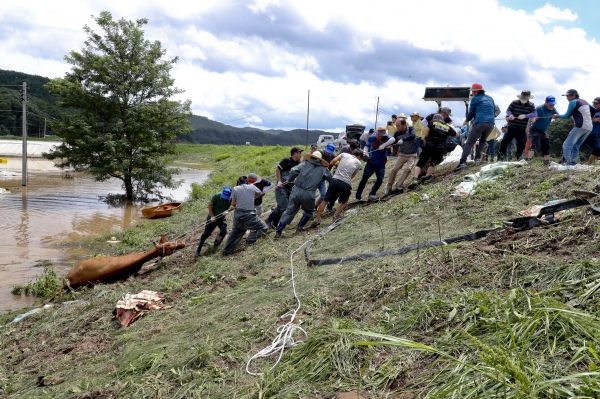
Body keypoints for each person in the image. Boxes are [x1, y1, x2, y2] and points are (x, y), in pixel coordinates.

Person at [275, 151, 332, 238]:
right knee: (309, 211)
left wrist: (290, 179)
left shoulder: (304, 164)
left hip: (296, 190)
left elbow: (293, 170)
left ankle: (278, 231)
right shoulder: (323, 169)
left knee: (289, 211)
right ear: (320, 160)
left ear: (311, 157)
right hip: (309, 193)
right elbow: (331, 179)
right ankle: (300, 227)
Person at [312, 148, 363, 227]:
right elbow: (352, 175)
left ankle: (317, 219)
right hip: (345, 182)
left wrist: (330, 168)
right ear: (359, 156)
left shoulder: (344, 154)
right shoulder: (359, 163)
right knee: (344, 201)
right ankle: (336, 216)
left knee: (325, 200)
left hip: (335, 179)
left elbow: (333, 161)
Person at [454, 83, 498, 171]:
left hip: (480, 122)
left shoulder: (475, 99)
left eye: (473, 92)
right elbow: (493, 111)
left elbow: (471, 112)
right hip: (491, 123)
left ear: (476, 92)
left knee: (470, 142)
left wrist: (467, 120)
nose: (472, 93)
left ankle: (462, 162)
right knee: (482, 140)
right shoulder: (490, 98)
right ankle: (477, 159)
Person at [221, 177, 268, 256]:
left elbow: (233, 205)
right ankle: (249, 240)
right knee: (264, 228)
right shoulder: (252, 187)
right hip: (250, 215)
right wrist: (253, 195)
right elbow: (260, 193)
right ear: (247, 182)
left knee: (235, 233)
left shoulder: (235, 188)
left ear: (238, 182)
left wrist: (227, 211)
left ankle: (225, 252)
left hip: (238, 215)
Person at [408, 114, 458, 189]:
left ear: (434, 119)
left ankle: (415, 179)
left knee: (420, 164)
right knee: (433, 163)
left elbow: (426, 134)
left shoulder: (432, 123)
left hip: (430, 145)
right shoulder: (447, 126)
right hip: (440, 148)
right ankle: (427, 177)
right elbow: (457, 135)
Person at [553, 89, 594, 165]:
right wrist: (591, 117)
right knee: (576, 146)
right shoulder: (585, 101)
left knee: (566, 145)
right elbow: (594, 109)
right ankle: (573, 163)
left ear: (574, 95)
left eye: (568, 96)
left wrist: (557, 116)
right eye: (566, 96)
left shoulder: (573, 102)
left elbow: (567, 116)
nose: (567, 98)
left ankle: (568, 163)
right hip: (589, 127)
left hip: (580, 126)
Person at [355, 126, 396, 201]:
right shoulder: (372, 138)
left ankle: (372, 194)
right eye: (377, 134)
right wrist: (365, 152)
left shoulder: (387, 138)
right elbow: (367, 146)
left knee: (380, 180)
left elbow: (393, 139)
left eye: (379, 135)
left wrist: (384, 145)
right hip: (371, 162)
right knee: (364, 179)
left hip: (381, 163)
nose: (378, 136)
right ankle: (358, 197)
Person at [266, 147, 303, 229]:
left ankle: (275, 223)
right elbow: (278, 170)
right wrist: (279, 181)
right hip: (282, 186)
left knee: (284, 206)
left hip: (290, 187)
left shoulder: (299, 163)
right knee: (284, 206)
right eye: (299, 153)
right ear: (295, 153)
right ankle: (269, 219)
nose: (301, 154)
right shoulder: (286, 161)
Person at [497, 90, 536, 162]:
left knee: (522, 144)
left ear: (528, 98)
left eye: (525, 99)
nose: (523, 100)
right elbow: (508, 110)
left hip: (522, 129)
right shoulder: (514, 102)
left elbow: (534, 114)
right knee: (504, 142)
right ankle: (500, 158)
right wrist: (510, 115)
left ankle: (516, 159)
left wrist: (525, 116)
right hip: (512, 127)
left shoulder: (531, 105)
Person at [195, 187, 232, 256]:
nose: (224, 198)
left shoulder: (231, 199)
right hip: (212, 218)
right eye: (224, 196)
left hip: (221, 218)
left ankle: (216, 245)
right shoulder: (217, 196)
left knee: (223, 231)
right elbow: (209, 205)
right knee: (206, 233)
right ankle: (198, 249)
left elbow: (233, 206)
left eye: (226, 197)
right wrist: (212, 216)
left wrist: (228, 211)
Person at [386, 118, 417, 194]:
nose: (397, 127)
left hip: (412, 154)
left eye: (398, 125)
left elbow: (413, 135)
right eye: (396, 125)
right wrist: (390, 145)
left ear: (404, 125)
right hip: (402, 154)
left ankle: (399, 184)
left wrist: (404, 139)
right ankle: (389, 186)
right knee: (394, 169)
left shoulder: (410, 129)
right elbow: (395, 141)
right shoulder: (397, 133)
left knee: (408, 169)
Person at [526, 95, 559, 165]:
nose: (552, 106)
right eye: (550, 104)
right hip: (535, 129)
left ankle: (547, 161)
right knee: (535, 142)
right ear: (546, 102)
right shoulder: (539, 108)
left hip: (543, 131)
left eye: (553, 104)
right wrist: (534, 119)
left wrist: (556, 117)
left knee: (546, 144)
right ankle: (529, 160)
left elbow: (559, 118)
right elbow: (532, 118)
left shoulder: (553, 109)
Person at [315, 143, 336, 209]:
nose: (328, 153)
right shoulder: (319, 153)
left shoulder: (332, 156)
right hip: (314, 178)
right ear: (325, 147)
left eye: (329, 152)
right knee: (310, 195)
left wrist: (334, 168)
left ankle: (315, 207)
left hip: (323, 178)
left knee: (324, 195)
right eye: (327, 151)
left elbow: (336, 162)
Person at [582, 98, 600, 164]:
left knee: (598, 149)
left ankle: (588, 164)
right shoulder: (591, 110)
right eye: (594, 103)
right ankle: (562, 161)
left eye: (597, 103)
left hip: (593, 136)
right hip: (584, 134)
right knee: (573, 147)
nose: (595, 104)